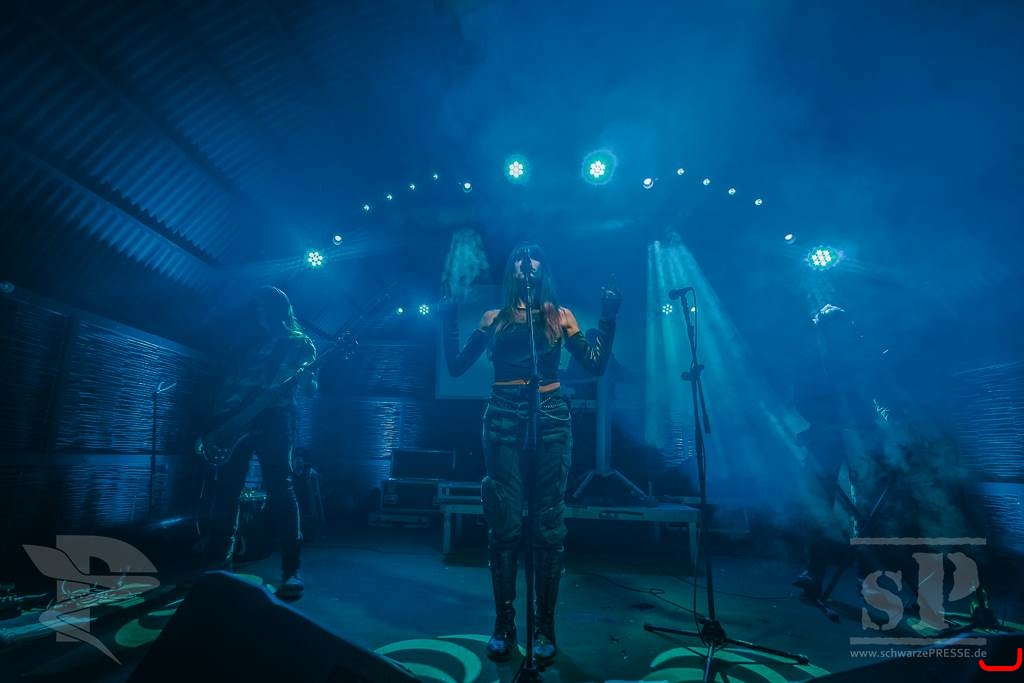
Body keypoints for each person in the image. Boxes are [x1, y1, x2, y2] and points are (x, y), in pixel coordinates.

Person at [441, 243, 621, 662]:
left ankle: (544, 626)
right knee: (504, 523)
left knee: (547, 526)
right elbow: (456, 366)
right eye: (520, 256)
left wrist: (608, 316)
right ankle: (504, 623)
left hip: (551, 414)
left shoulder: (561, 317)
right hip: (504, 415)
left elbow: (595, 365)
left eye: (535, 255)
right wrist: (448, 315)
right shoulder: (494, 318)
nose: (527, 261)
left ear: (543, 268)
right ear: (512, 269)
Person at [204, 286, 316, 600]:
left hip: (275, 418)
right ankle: (219, 564)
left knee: (281, 488)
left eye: (264, 307)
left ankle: (291, 570)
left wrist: (308, 380)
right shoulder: (252, 345)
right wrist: (218, 424)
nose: (259, 313)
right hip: (236, 420)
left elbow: (310, 388)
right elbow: (232, 386)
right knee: (227, 490)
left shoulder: (299, 342)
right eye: (257, 308)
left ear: (279, 309)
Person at [791, 304, 886, 600]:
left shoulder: (858, 356)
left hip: (860, 436)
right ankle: (814, 572)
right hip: (826, 437)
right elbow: (800, 396)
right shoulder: (812, 359)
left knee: (866, 506)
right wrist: (823, 425)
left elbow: (873, 394)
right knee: (820, 502)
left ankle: (866, 575)